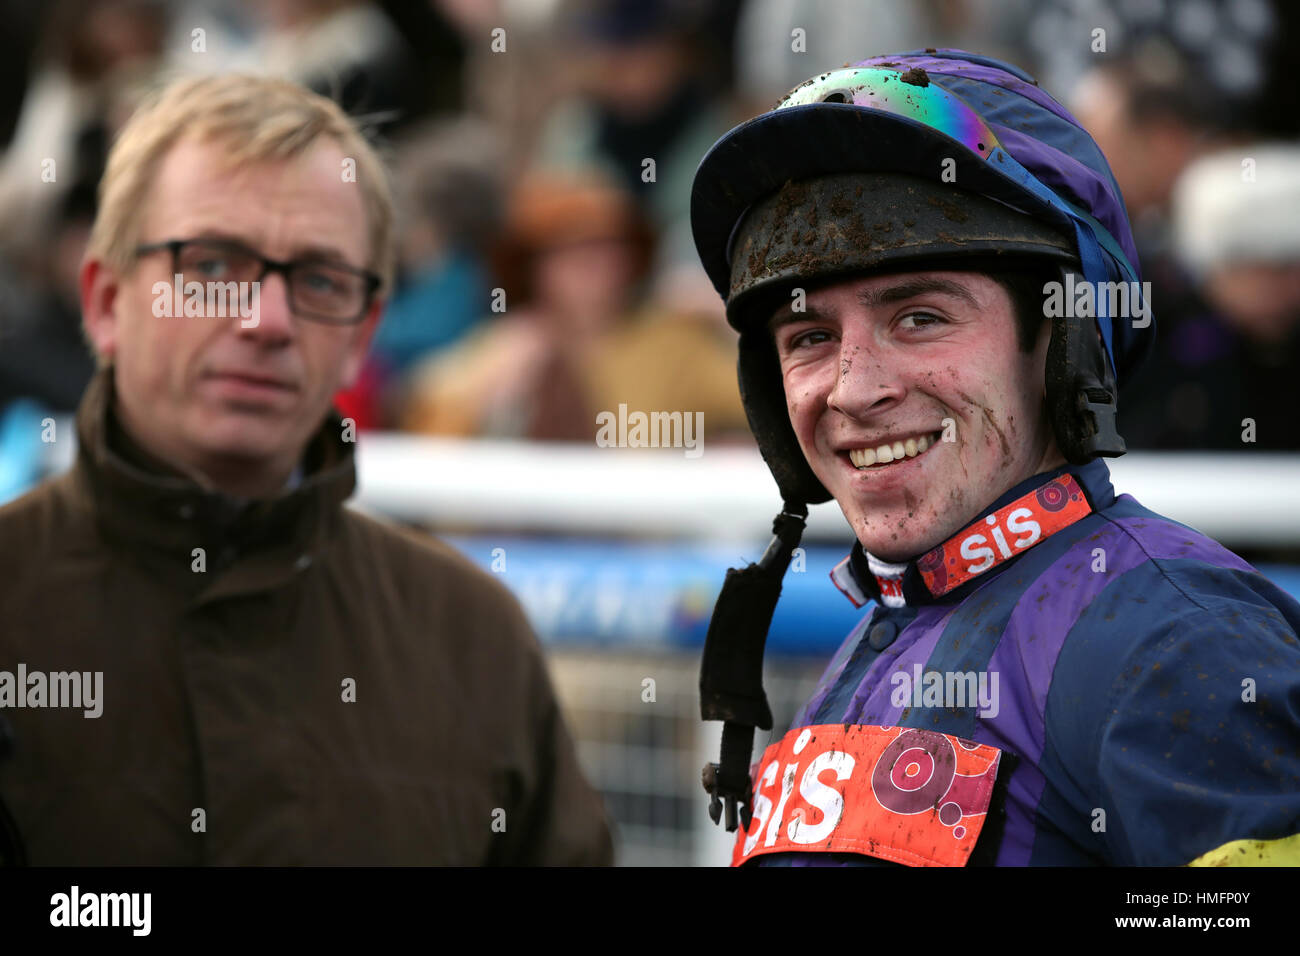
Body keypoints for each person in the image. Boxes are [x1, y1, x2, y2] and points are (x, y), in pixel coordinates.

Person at [691, 49, 1300, 867]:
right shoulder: (889, 625)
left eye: (919, 318)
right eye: (810, 337)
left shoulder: (1182, 645)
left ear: (1061, 345)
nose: (853, 389)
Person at [0, 73, 613, 865]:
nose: (268, 321)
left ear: (363, 334)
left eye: (320, 279)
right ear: (105, 301)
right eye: (214, 266)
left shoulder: (474, 639)